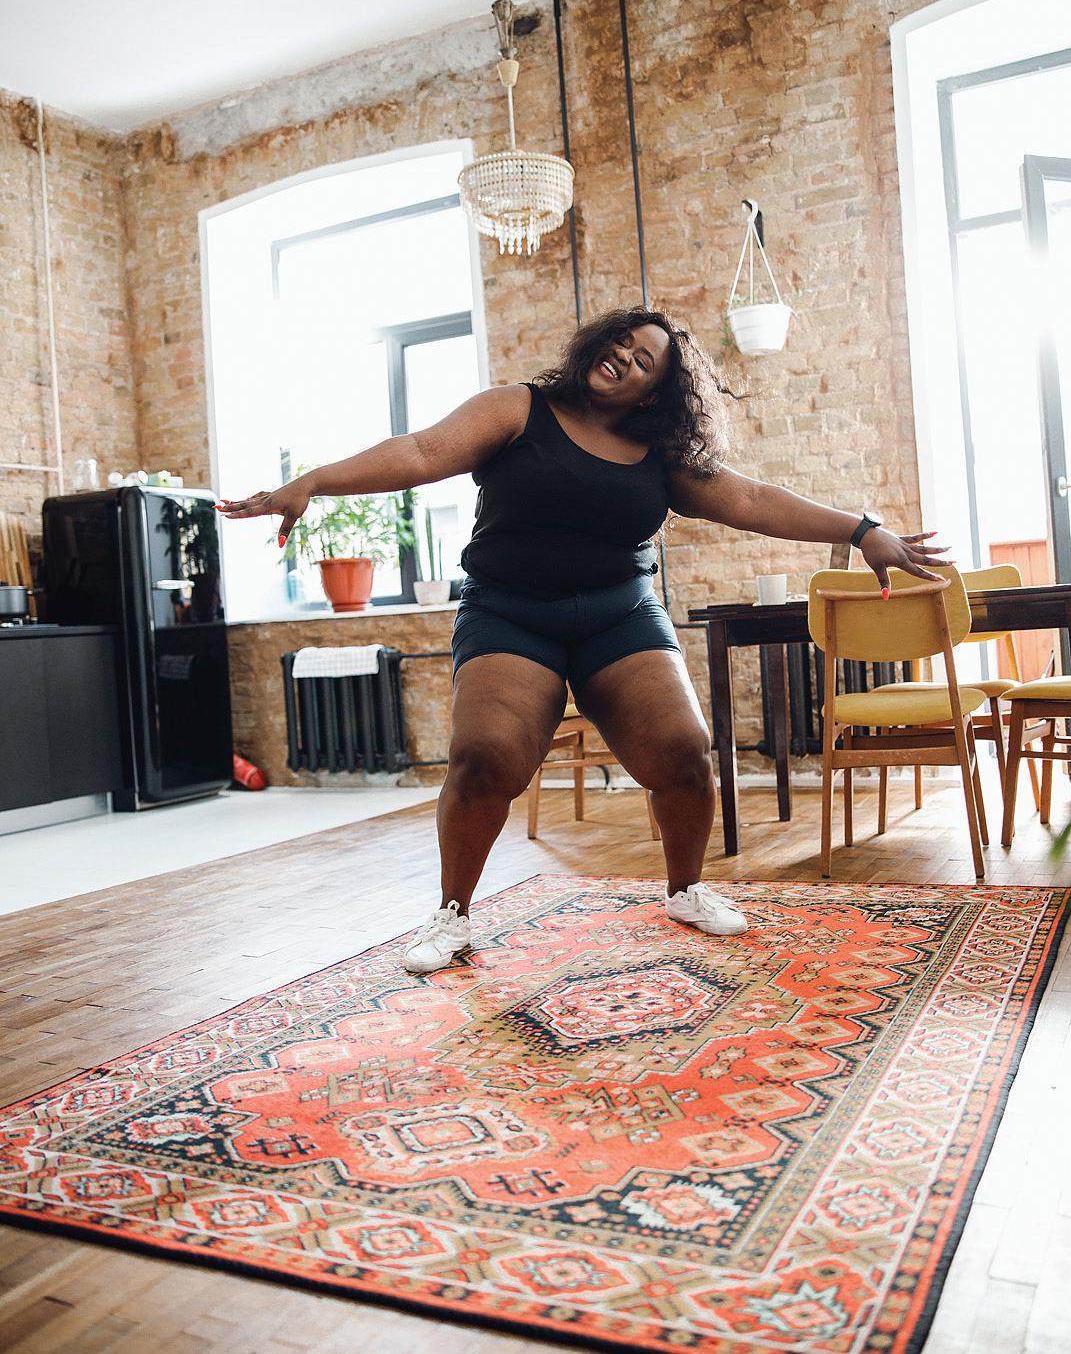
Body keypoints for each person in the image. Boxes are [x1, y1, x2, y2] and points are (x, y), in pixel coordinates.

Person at [217, 306, 950, 973]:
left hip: (617, 615)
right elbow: (420, 450)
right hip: (510, 613)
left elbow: (751, 499)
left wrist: (862, 530)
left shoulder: (660, 456)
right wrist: (315, 481)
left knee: (684, 752)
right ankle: (452, 914)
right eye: (621, 343)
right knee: (484, 758)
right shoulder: (517, 409)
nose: (624, 357)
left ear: (654, 394)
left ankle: (685, 891)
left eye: (644, 360)